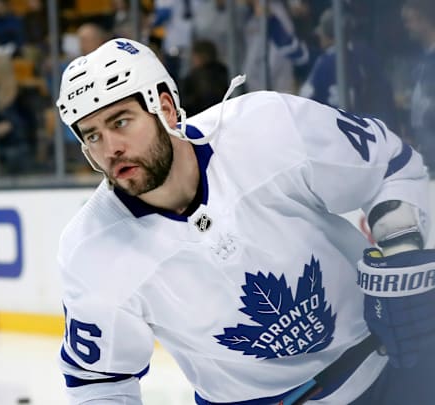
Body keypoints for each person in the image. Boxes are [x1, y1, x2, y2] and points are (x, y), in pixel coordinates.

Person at [55, 38, 435, 404]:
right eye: (92, 135)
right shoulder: (91, 250)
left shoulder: (265, 127)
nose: (110, 148)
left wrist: (402, 253)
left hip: (393, 370)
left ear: (166, 108)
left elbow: (391, 166)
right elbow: (99, 383)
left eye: (120, 122)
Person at [402, 0, 435, 174]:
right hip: (427, 159)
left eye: (409, 20)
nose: (406, 26)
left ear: (424, 20)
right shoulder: (423, 60)